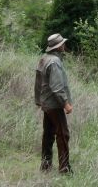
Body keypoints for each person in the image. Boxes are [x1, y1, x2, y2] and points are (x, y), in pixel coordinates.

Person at [35, 33, 73, 173]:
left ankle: (45, 167)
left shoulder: (44, 59)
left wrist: (39, 100)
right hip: (55, 104)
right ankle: (64, 168)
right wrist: (66, 104)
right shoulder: (55, 62)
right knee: (63, 134)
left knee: (48, 134)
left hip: (46, 104)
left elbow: (38, 82)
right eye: (62, 44)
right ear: (58, 47)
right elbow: (57, 87)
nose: (64, 45)